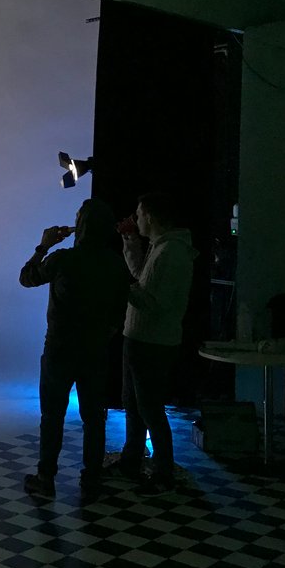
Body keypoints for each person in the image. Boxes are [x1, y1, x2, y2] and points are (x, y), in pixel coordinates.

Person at [19, 199, 130, 499]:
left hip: (59, 348)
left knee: (52, 415)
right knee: (94, 417)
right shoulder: (114, 263)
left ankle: (46, 478)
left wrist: (43, 246)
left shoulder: (63, 259)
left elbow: (27, 277)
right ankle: (92, 478)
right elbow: (121, 308)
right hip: (95, 350)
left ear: (80, 226)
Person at [112, 192, 195, 494]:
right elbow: (142, 279)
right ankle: (132, 461)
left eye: (138, 214)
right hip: (141, 338)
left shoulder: (171, 252)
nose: (135, 219)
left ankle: (163, 473)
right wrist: (130, 243)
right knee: (135, 405)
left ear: (150, 215)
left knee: (149, 409)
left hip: (152, 342)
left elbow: (154, 302)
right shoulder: (162, 248)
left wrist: (119, 285)